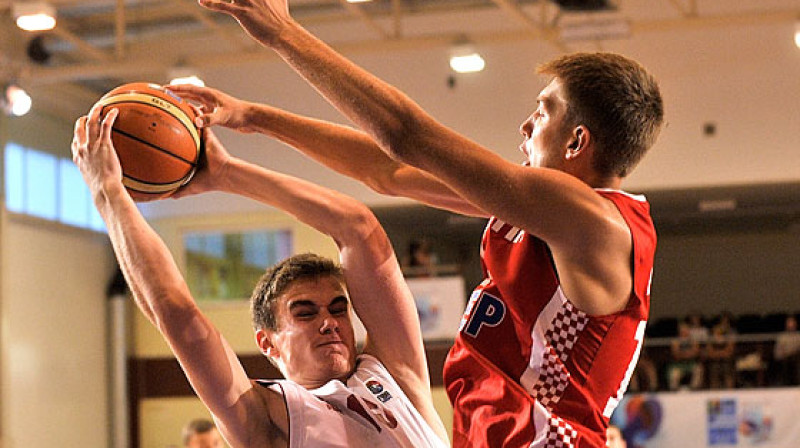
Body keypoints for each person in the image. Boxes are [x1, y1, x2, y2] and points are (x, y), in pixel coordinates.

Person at [175, 1, 663, 445]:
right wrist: (252, 118)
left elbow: (404, 136)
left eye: (543, 111)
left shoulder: (594, 222)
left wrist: (283, 33)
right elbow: (388, 171)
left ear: (577, 142)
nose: (527, 125)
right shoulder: (544, 215)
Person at [71, 109, 449, 447]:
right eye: (305, 313)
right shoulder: (268, 417)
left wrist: (228, 173)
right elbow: (176, 313)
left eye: (337, 309)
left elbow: (358, 228)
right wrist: (108, 194)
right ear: (267, 344)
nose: (330, 323)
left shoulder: (394, 374)